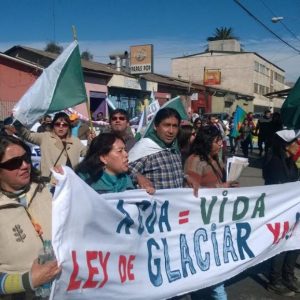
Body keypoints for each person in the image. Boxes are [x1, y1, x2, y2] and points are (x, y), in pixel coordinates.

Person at [0, 135, 60, 298]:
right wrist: (28, 280)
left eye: (26, 158)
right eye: (14, 163)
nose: (25, 165)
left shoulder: (46, 190)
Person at [184, 125, 238, 300]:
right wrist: (221, 187)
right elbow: (191, 192)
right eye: (216, 141)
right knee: (214, 278)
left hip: (216, 220)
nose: (221, 144)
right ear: (207, 141)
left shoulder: (214, 159)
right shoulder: (194, 161)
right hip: (201, 222)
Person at [263, 130, 300, 297]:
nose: (298, 146)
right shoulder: (275, 162)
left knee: (295, 243)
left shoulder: (290, 161)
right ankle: (275, 281)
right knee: (281, 246)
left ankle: (288, 275)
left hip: (293, 212)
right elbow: (279, 189)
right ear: (286, 145)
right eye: (296, 143)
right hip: (280, 213)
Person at [129, 107, 199, 194]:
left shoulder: (174, 148)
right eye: (166, 125)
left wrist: (185, 177)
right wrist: (138, 176)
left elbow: (171, 173)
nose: (171, 131)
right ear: (155, 126)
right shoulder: (144, 148)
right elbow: (123, 172)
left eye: (175, 126)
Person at [14, 112, 87, 181]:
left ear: (68, 127)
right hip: (49, 181)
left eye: (64, 125)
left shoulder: (75, 141)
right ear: (53, 125)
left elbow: (88, 152)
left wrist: (94, 141)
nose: (61, 127)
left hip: (69, 182)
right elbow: (27, 135)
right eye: (57, 124)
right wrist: (17, 121)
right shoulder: (45, 137)